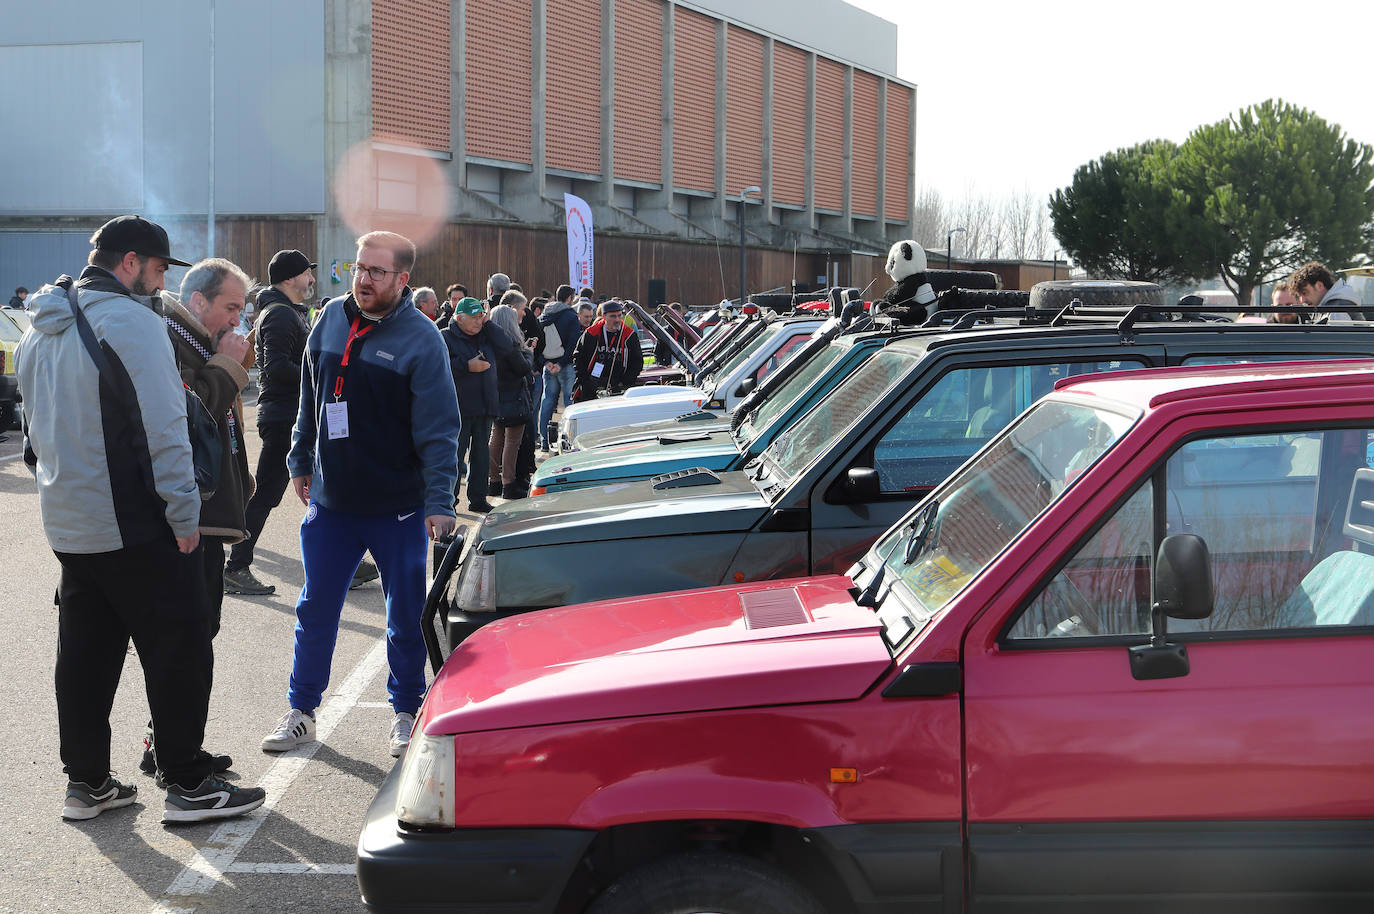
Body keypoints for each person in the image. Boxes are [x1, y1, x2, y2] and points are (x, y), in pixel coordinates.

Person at [17, 215, 265, 823]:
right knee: (180, 645)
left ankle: (88, 782)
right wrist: (184, 512)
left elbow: (32, 436)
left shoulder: (36, 330)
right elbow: (167, 428)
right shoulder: (133, 321)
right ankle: (186, 784)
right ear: (130, 262)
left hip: (70, 520)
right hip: (135, 518)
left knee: (86, 652)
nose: (162, 286)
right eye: (158, 270)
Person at [261, 231, 459, 759]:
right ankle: (302, 711)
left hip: (397, 506)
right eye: (359, 268)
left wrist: (440, 502)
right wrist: (300, 459)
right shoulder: (327, 319)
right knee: (315, 609)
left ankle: (405, 711)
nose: (363, 279)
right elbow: (311, 397)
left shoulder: (423, 340)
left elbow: (440, 429)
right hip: (331, 504)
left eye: (376, 272)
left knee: (405, 615)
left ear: (403, 280)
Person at [145, 260, 255, 778]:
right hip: (190, 519)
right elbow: (190, 419)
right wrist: (230, 366)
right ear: (197, 302)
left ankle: (172, 742)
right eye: (231, 307)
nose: (237, 321)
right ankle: (176, 754)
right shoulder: (169, 339)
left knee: (196, 635)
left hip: (205, 516)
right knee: (187, 642)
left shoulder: (194, 338)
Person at [440, 296, 500, 512]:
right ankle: (449, 502)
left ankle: (478, 498)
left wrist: (489, 323)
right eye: (473, 318)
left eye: (480, 317)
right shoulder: (445, 337)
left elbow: (505, 348)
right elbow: (439, 367)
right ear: (459, 318)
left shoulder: (485, 334)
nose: (478, 322)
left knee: (482, 456)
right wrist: (466, 366)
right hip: (458, 408)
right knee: (454, 458)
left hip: (485, 405)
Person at [485, 301, 535, 498]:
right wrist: (529, 353)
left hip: (496, 396)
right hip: (513, 396)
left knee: (496, 439)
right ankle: (509, 483)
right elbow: (522, 367)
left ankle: (493, 481)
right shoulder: (510, 343)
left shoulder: (489, 343)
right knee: (512, 442)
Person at [537, 284, 582, 449]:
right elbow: (573, 344)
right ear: (569, 298)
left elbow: (537, 342)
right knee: (569, 402)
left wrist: (545, 362)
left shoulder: (544, 315)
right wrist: (561, 363)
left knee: (547, 401)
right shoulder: (570, 316)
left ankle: (544, 441)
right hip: (566, 365)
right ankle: (570, 439)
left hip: (547, 365)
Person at [572, 299, 642, 402]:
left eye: (619, 315)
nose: (617, 319)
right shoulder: (591, 333)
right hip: (592, 384)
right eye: (613, 316)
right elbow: (578, 358)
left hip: (618, 386)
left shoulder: (629, 335)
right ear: (604, 317)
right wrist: (585, 381)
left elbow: (637, 361)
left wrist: (625, 382)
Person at [1290, 261, 1369, 322]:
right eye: (1299, 296)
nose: (1302, 300)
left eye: (1304, 293)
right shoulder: (1327, 308)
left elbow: (1338, 342)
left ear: (1319, 286)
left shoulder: (1336, 312)